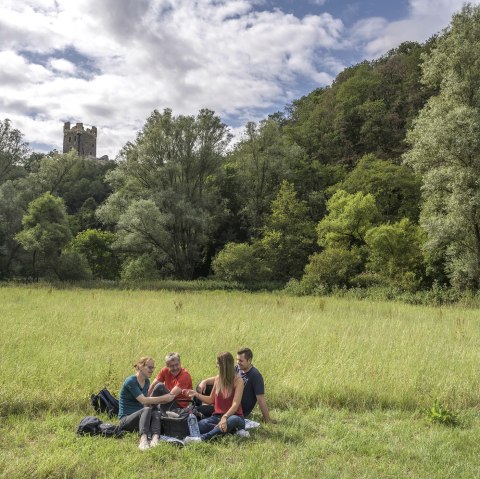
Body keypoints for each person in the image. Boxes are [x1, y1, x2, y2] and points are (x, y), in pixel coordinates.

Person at [197, 347, 273, 422]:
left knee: (200, 410)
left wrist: (267, 419)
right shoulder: (237, 368)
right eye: (237, 359)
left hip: (236, 408)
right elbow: (220, 378)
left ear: (249, 360)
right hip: (227, 401)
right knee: (201, 386)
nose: (238, 362)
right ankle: (199, 409)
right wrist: (205, 381)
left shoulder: (255, 375)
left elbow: (261, 399)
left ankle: (205, 414)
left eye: (241, 360)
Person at [183, 351, 244, 443]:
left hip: (234, 417)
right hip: (216, 417)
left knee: (232, 420)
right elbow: (211, 400)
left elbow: (235, 404)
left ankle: (202, 439)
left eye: (217, 364)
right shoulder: (218, 379)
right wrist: (196, 394)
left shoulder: (238, 381)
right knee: (196, 427)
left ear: (224, 366)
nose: (216, 366)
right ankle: (225, 431)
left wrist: (225, 417)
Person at [118, 356, 176, 450]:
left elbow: (147, 403)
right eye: (149, 367)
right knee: (146, 409)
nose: (152, 370)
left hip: (141, 420)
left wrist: (165, 400)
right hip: (126, 420)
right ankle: (143, 439)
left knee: (156, 412)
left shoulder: (147, 382)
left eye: (153, 367)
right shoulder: (131, 381)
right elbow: (144, 400)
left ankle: (155, 438)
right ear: (140, 367)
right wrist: (163, 398)